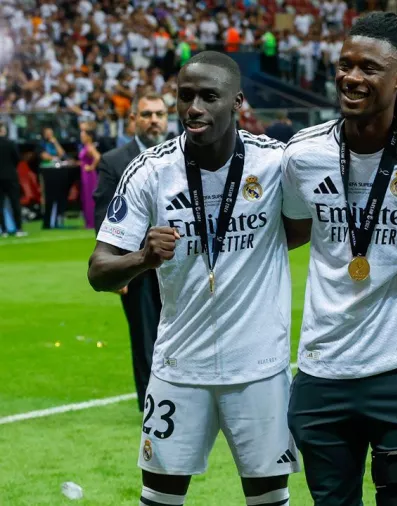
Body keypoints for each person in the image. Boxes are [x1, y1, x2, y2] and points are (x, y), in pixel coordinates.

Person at [87, 51, 300, 506]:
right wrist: (144, 257)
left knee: (268, 497)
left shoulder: (276, 163)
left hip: (259, 369)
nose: (194, 108)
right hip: (178, 368)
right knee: (160, 497)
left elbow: (314, 223)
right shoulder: (150, 171)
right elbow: (98, 271)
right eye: (185, 96)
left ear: (237, 102)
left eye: (209, 96)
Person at [281, 12, 397, 506]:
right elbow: (291, 232)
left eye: (369, 68)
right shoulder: (302, 155)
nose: (352, 77)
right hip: (320, 372)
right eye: (345, 65)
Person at [92, 92, 169, 411]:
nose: (154, 120)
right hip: (136, 265)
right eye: (147, 114)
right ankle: (152, 405)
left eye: (160, 114)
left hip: (179, 262)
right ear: (133, 120)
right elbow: (104, 213)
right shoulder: (114, 161)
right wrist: (116, 264)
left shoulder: (182, 155)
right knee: (144, 334)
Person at [0, 123, 25, 237]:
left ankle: (3, 230)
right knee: (15, 202)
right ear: (3, 131)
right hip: (11, 176)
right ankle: (18, 229)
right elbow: (17, 159)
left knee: (0, 204)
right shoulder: (10, 143)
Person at [78, 124, 101, 230]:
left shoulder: (90, 147)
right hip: (84, 175)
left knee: (90, 198)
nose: (81, 138)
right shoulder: (86, 147)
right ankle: (88, 221)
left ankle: (92, 222)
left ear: (88, 137)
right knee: (85, 198)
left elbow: (97, 157)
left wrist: (91, 167)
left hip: (89, 176)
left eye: (83, 136)